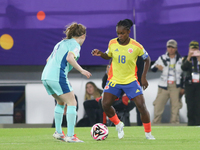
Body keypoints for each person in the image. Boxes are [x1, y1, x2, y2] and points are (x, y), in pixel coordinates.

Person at [92, 19, 155, 140]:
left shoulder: (136, 46)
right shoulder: (112, 43)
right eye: (118, 33)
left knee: (141, 106)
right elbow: (108, 55)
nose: (120, 36)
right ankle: (118, 124)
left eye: (122, 33)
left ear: (128, 32)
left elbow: (147, 59)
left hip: (130, 81)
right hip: (114, 80)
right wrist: (101, 53)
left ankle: (148, 133)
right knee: (105, 104)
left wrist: (143, 77)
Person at [41, 22, 91, 142]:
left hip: (45, 75)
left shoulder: (60, 43)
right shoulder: (75, 44)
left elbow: (48, 59)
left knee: (60, 102)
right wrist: (82, 70)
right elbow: (69, 57)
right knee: (72, 102)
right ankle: (71, 136)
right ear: (83, 35)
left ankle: (59, 132)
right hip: (57, 76)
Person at [151, 39, 183, 124]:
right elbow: (152, 68)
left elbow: (183, 74)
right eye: (169, 47)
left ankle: (174, 124)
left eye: (172, 47)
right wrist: (157, 67)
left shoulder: (180, 60)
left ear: (176, 48)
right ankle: (156, 124)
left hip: (175, 86)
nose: (171, 49)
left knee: (175, 107)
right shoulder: (162, 58)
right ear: (167, 48)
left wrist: (182, 87)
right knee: (158, 105)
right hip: (163, 86)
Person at [181, 41, 200, 126]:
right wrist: (189, 57)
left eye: (195, 49)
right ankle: (191, 123)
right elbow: (184, 68)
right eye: (192, 49)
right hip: (189, 84)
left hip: (198, 85)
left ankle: (198, 122)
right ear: (189, 49)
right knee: (190, 104)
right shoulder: (186, 58)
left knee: (198, 104)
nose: (194, 50)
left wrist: (199, 59)